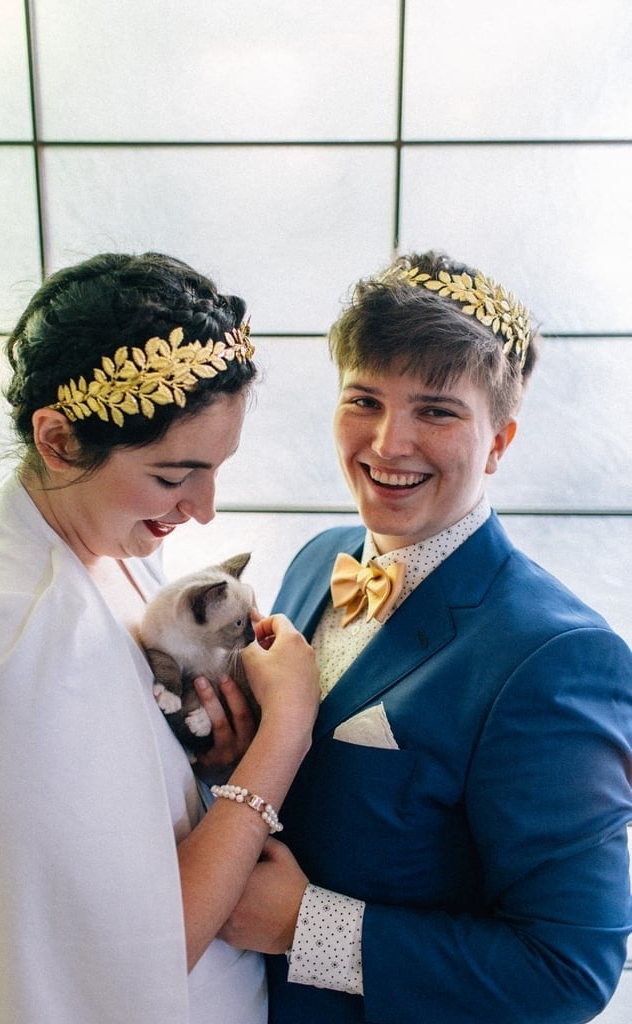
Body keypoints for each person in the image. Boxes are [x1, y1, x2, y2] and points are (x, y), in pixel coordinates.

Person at [221, 251, 632, 1023]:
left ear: (500, 441)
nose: (385, 443)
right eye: (362, 399)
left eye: (435, 411)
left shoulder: (560, 657)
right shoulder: (319, 559)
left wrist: (302, 926)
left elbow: (568, 969)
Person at [0, 252, 319, 1024]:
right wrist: (281, 738)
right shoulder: (18, 636)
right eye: (171, 474)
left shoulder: (99, 547)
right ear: (55, 438)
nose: (204, 509)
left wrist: (209, 757)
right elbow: (137, 952)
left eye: (217, 468)